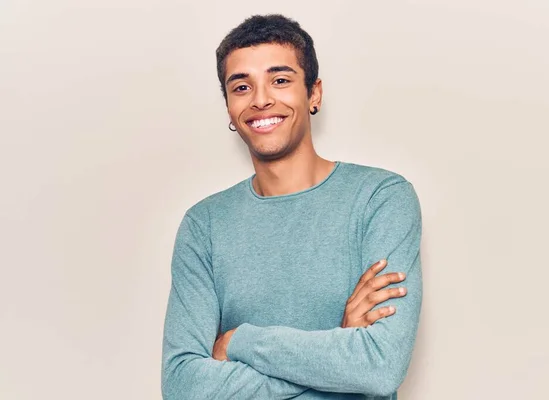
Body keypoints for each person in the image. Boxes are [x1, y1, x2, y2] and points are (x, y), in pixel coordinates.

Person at [161, 14, 423, 400]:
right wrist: (339, 351)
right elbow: (182, 385)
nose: (261, 99)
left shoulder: (380, 198)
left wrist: (237, 342)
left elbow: (380, 368)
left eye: (280, 80)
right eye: (241, 86)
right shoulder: (204, 225)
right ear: (229, 108)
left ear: (314, 93)